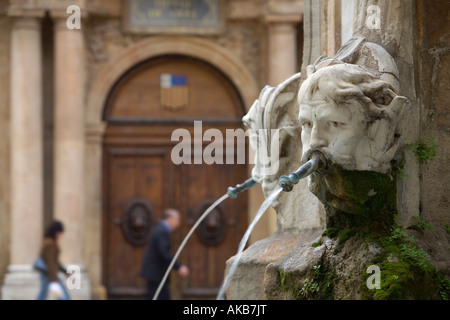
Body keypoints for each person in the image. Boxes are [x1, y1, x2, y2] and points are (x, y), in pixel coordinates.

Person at [140, 208, 189, 300]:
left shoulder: (160, 230)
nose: (178, 223)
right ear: (170, 219)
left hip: (156, 274)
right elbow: (164, 253)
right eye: (177, 219)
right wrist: (179, 267)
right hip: (156, 274)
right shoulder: (161, 231)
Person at [36, 220, 70, 300]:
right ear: (56, 232)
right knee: (64, 296)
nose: (61, 235)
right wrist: (54, 279)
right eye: (60, 232)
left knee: (43, 294)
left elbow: (54, 262)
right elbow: (50, 262)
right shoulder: (50, 243)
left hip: (48, 273)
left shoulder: (51, 242)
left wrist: (64, 270)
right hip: (49, 273)